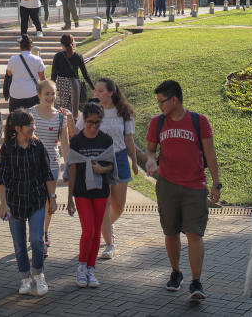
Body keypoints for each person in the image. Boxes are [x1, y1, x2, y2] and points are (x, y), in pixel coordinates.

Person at [142, 79, 221, 302]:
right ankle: (176, 272)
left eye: (162, 101)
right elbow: (149, 150)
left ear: (174, 99)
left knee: (195, 234)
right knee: (171, 232)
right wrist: (150, 161)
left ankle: (196, 282)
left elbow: (210, 154)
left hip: (195, 187)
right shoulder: (157, 123)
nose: (159, 106)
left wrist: (216, 183)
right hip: (167, 186)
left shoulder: (199, 121)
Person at [0, 107, 58, 296]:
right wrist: (3, 203)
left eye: (33, 123)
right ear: (18, 128)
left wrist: (52, 198)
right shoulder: (7, 148)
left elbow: (47, 173)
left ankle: (39, 274)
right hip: (15, 201)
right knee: (20, 244)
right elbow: (1, 178)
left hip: (36, 199)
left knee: (37, 240)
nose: (33, 127)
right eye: (29, 124)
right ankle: (25, 277)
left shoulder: (37, 146)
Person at [78, 77, 141, 260]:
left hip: (119, 158)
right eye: (95, 91)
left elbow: (129, 139)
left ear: (111, 93)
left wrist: (135, 162)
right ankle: (109, 243)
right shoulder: (92, 111)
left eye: (100, 91)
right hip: (99, 161)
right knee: (104, 204)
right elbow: (78, 132)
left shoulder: (124, 112)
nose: (95, 94)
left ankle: (100, 228)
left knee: (119, 205)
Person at [66, 100, 117, 289]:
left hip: (101, 190)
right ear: (84, 120)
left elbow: (111, 165)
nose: (93, 126)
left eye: (97, 122)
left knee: (96, 232)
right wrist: (69, 197)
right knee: (88, 230)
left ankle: (90, 268)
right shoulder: (77, 141)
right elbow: (72, 167)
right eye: (90, 122)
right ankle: (81, 266)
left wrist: (101, 170)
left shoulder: (105, 140)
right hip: (82, 191)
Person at [32, 78, 72, 252]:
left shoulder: (60, 116)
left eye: (53, 93)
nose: (50, 97)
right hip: (32, 165)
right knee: (35, 201)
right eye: (46, 93)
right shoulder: (29, 114)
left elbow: (65, 143)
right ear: (39, 95)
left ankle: (43, 233)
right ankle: (35, 232)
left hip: (53, 164)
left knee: (49, 201)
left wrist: (68, 166)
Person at [50, 34, 92, 120]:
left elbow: (53, 75)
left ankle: (61, 129)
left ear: (62, 45)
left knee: (60, 111)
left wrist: (51, 89)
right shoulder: (78, 56)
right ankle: (72, 128)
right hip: (74, 85)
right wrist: (93, 87)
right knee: (73, 112)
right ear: (73, 43)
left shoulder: (58, 56)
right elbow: (85, 74)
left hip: (61, 85)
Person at [5, 35, 46, 111]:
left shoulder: (13, 59)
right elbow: (43, 79)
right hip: (32, 93)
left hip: (15, 93)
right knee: (32, 119)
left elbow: (9, 73)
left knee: (15, 119)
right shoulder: (38, 59)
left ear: (20, 47)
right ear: (31, 47)